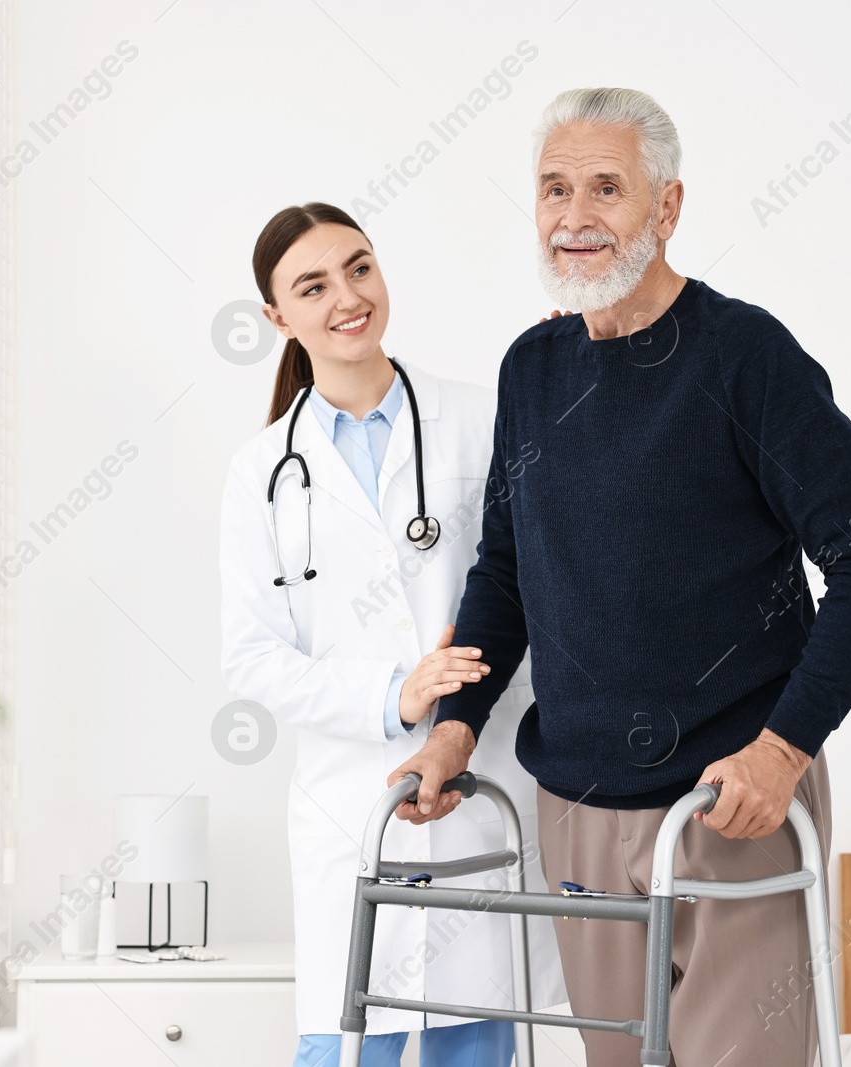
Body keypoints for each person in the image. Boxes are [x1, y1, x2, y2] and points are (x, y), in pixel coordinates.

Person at [388, 88, 851, 1067]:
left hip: (731, 804)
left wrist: (782, 750)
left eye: (606, 187)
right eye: (554, 189)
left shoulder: (742, 355)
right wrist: (453, 729)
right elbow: (504, 571)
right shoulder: (533, 368)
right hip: (583, 807)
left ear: (667, 208)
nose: (574, 215)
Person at [219, 202, 565, 1067]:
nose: (347, 296)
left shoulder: (486, 416)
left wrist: (580, 377)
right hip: (351, 808)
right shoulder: (262, 473)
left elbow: (548, 567)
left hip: (482, 794)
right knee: (347, 1044)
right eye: (314, 284)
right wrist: (391, 694)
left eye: (360, 267)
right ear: (278, 318)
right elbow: (251, 657)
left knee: (482, 1036)